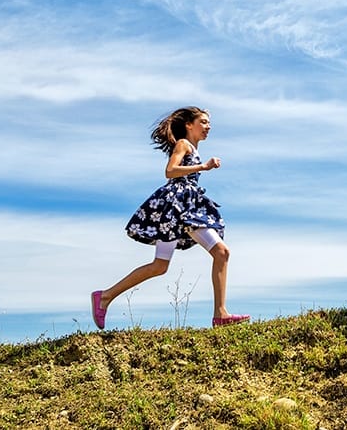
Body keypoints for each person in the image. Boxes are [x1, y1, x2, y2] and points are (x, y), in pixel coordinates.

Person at [91, 106, 250, 329]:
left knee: (159, 266)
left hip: (182, 208)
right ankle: (220, 314)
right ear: (189, 124)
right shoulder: (183, 144)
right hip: (179, 207)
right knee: (221, 252)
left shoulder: (192, 148)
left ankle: (105, 296)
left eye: (208, 123)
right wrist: (204, 166)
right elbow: (170, 170)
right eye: (203, 122)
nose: (208, 126)